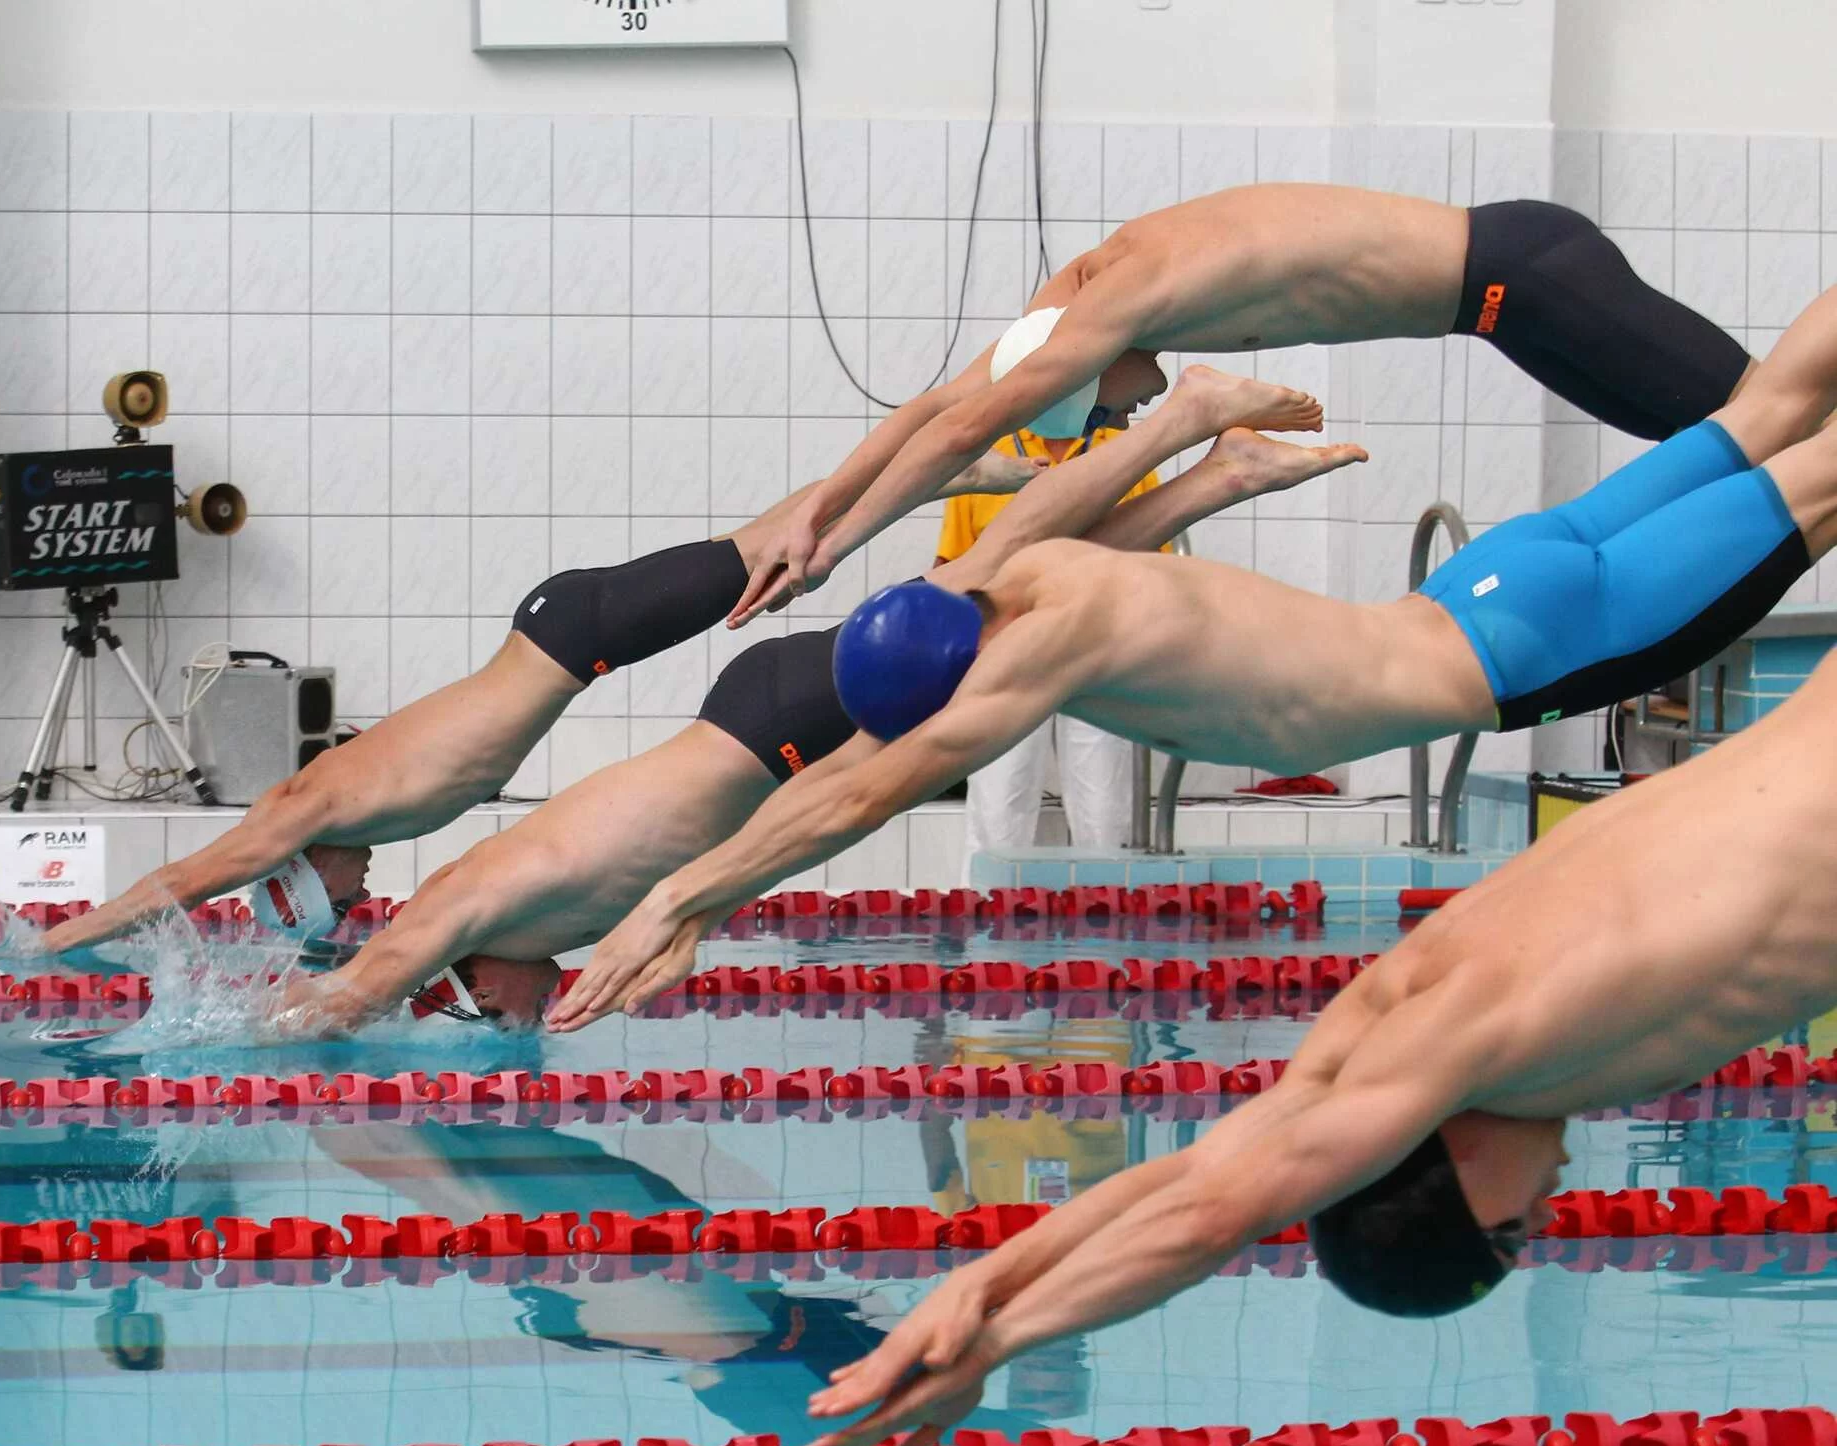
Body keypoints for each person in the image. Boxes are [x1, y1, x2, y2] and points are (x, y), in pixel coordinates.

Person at [547, 280, 1837, 1036]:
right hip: (1494, 573)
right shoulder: (1038, 565)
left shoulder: (1047, 645)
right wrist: (1203, 443)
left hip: (1520, 643)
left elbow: (859, 787)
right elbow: (1061, 507)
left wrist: (686, 897)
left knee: (1817, 468)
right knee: (1774, 402)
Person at [800, 636, 1837, 1446]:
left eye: (1517, 1228)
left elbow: (1217, 1208)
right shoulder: (1398, 1011)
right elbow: (1204, 1165)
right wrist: (977, 1281)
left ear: (1454, 1177)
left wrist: (992, 1335)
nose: (1556, 1193)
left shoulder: (1490, 1035)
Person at [278, 367, 1350, 1034]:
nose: (526, 1021)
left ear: (469, 980)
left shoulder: (462, 908)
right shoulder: (541, 925)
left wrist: (233, 1030)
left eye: (498, 1019)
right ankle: (1220, 472)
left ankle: (1181, 428)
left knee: (1002, 578)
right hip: (770, 726)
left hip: (775, 729)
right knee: (1026, 603)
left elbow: (352, 995)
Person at [37, 450, 1051, 961]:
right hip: (570, 640)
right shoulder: (347, 817)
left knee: (777, 554)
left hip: (570, 634)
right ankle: (924, 480)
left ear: (301, 870)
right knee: (775, 551)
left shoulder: (300, 810)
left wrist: (59, 944)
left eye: (339, 899)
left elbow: (187, 876)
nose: (359, 894)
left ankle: (930, 474)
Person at [724, 186, 1753, 623]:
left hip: (1528, 279)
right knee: (1737, 442)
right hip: (1511, 300)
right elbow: (935, 407)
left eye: (1099, 416)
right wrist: (811, 515)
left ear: (1096, 363)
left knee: (1765, 420)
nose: (1114, 426)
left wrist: (830, 555)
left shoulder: (1113, 304)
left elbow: (959, 429)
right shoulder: (1074, 296)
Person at [941, 423, 1165, 856]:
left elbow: (1155, 564)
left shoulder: (1128, 452)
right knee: (997, 810)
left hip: (1099, 649)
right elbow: (954, 564)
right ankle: (988, 915)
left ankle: (1108, 915)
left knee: (1104, 811)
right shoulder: (995, 459)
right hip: (1008, 647)